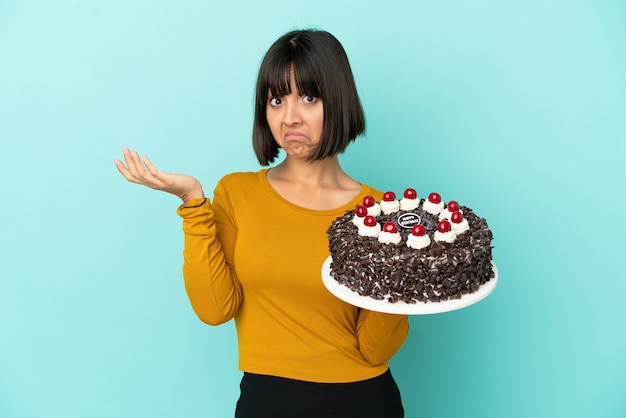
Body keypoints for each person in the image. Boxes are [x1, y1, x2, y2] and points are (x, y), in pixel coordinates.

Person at [115, 29, 409, 417]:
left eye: (309, 96)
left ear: (338, 100)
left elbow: (376, 348)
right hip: (266, 401)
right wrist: (192, 203)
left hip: (363, 401)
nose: (290, 117)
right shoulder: (237, 194)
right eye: (275, 99)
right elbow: (215, 309)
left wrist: (405, 272)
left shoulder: (379, 213)